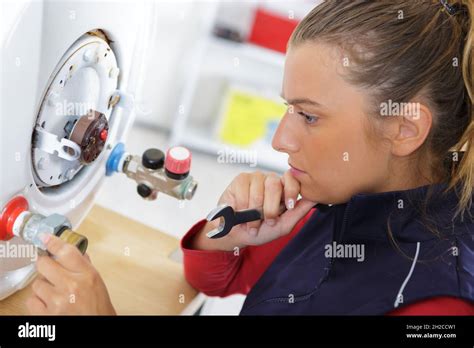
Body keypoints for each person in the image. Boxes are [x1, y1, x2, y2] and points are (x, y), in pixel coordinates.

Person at [27, 0, 474, 315]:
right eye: (288, 108)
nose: (280, 140)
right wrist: (225, 237)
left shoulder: (438, 304)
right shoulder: (336, 200)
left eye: (308, 115)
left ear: (404, 129)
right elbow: (214, 281)